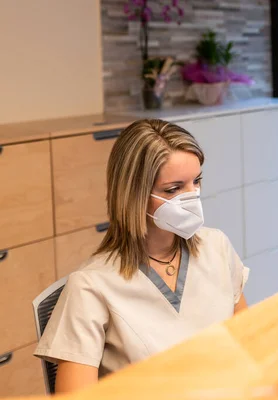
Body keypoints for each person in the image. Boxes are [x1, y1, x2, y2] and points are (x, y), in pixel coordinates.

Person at [34, 119, 249, 393]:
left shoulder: (216, 247)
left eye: (196, 182)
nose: (192, 197)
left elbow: (248, 344)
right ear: (133, 195)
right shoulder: (90, 286)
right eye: (174, 189)